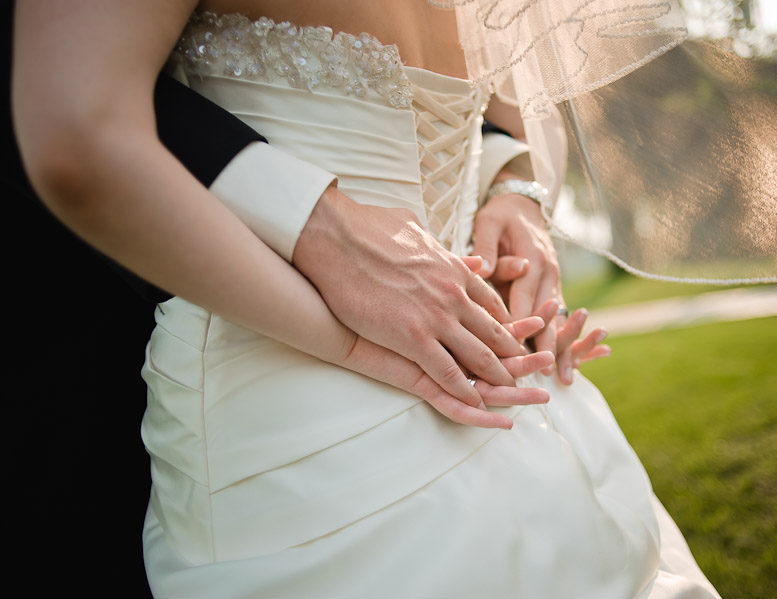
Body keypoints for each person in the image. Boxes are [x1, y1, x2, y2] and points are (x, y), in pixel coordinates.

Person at [12, 1, 720, 597]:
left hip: (447, 367)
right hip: (344, 381)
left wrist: (518, 195)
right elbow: (77, 132)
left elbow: (80, 131)